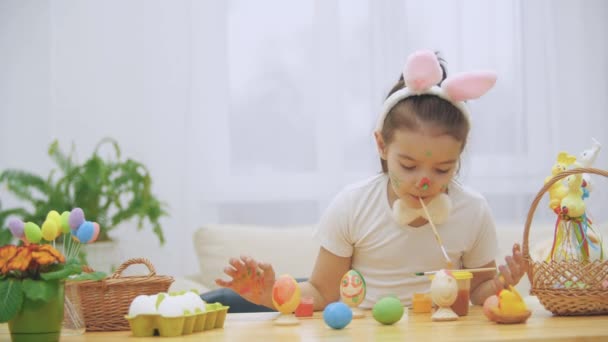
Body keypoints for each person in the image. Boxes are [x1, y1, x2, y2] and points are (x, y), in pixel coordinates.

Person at [213, 49, 528, 311]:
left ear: (461, 152)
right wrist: (271, 295)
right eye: (408, 165)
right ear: (381, 145)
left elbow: (477, 293)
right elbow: (323, 294)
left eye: (443, 170)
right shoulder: (353, 206)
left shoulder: (472, 211)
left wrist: (500, 283)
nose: (424, 182)